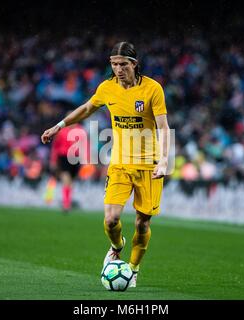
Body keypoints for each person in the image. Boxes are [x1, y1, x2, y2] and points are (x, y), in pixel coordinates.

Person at [41, 42, 170, 288]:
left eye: (123, 64)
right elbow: (88, 108)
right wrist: (59, 126)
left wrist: (164, 160)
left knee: (142, 223)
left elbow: (163, 127)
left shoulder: (152, 89)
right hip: (119, 163)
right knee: (111, 219)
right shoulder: (107, 88)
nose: (118, 69)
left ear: (134, 64)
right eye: (114, 64)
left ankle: (132, 269)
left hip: (148, 165)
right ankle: (116, 246)